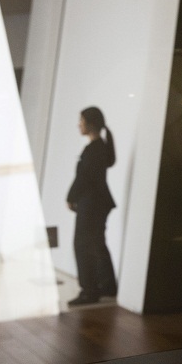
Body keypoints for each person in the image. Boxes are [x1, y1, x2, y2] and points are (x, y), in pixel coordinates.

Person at [66, 107, 118, 306]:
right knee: (96, 243)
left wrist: (71, 197)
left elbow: (84, 177)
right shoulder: (100, 147)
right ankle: (107, 286)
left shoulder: (95, 149)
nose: (79, 125)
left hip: (92, 204)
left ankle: (89, 291)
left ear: (90, 124)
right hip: (98, 203)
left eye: (81, 121)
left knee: (83, 245)